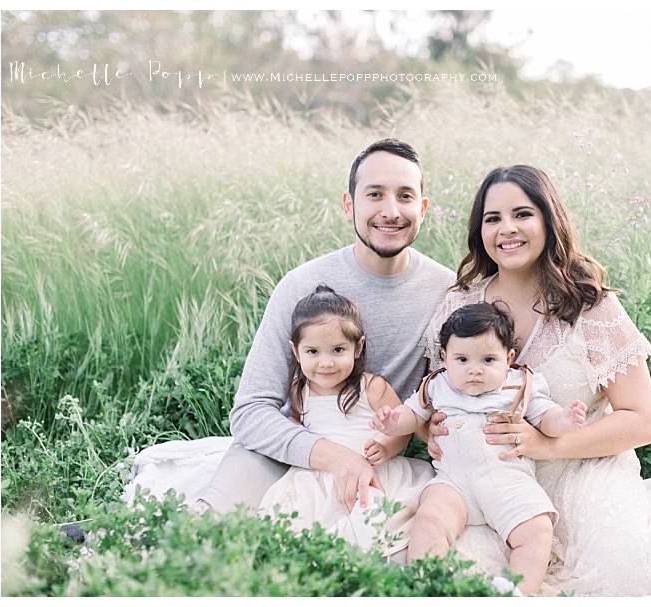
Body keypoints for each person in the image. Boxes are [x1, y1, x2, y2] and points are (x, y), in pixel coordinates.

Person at [412, 164, 651, 596]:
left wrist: (547, 445)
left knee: (625, 576)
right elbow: (435, 392)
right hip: (489, 478)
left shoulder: (589, 306)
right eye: (493, 219)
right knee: (451, 567)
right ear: (479, 231)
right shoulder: (461, 302)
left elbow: (642, 420)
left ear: (549, 220)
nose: (507, 229)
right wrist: (429, 429)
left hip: (581, 470)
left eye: (522, 214)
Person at [181, 137, 455, 513]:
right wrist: (336, 458)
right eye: (374, 194)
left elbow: (443, 395)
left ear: (422, 208)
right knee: (209, 529)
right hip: (288, 450)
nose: (391, 210)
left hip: (381, 462)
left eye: (405, 196)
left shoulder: (446, 291)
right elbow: (251, 412)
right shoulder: (301, 285)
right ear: (349, 205)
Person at [370, 301, 587, 594]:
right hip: (453, 483)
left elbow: (544, 416)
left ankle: (515, 590)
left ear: (508, 358)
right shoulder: (436, 385)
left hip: (507, 481)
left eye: (487, 360)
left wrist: (563, 420)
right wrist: (392, 422)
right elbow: (412, 416)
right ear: (444, 358)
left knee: (537, 529)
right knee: (430, 518)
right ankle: (428, 581)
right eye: (462, 360)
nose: (474, 370)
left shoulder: (519, 384)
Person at [257, 285, 433, 556]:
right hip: (317, 476)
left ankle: (358, 564)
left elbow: (403, 429)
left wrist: (386, 445)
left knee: (370, 518)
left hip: (373, 473)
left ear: (357, 347)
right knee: (293, 517)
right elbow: (296, 424)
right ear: (296, 351)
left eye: (338, 350)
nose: (326, 363)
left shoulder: (371, 387)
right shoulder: (299, 390)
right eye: (313, 352)